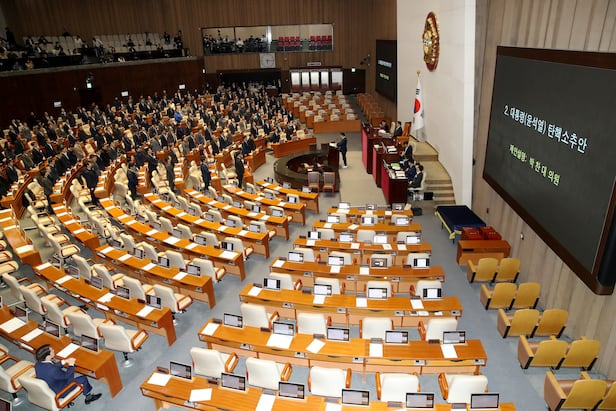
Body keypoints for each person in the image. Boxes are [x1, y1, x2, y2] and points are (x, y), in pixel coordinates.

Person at [34, 344, 102, 405]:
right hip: (61, 391)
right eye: (52, 350)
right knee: (83, 378)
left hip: (53, 385)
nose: (53, 350)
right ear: (48, 355)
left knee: (63, 371)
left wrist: (64, 361)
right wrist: (71, 364)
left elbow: (52, 367)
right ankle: (89, 397)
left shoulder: (38, 364)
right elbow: (69, 376)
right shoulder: (52, 370)